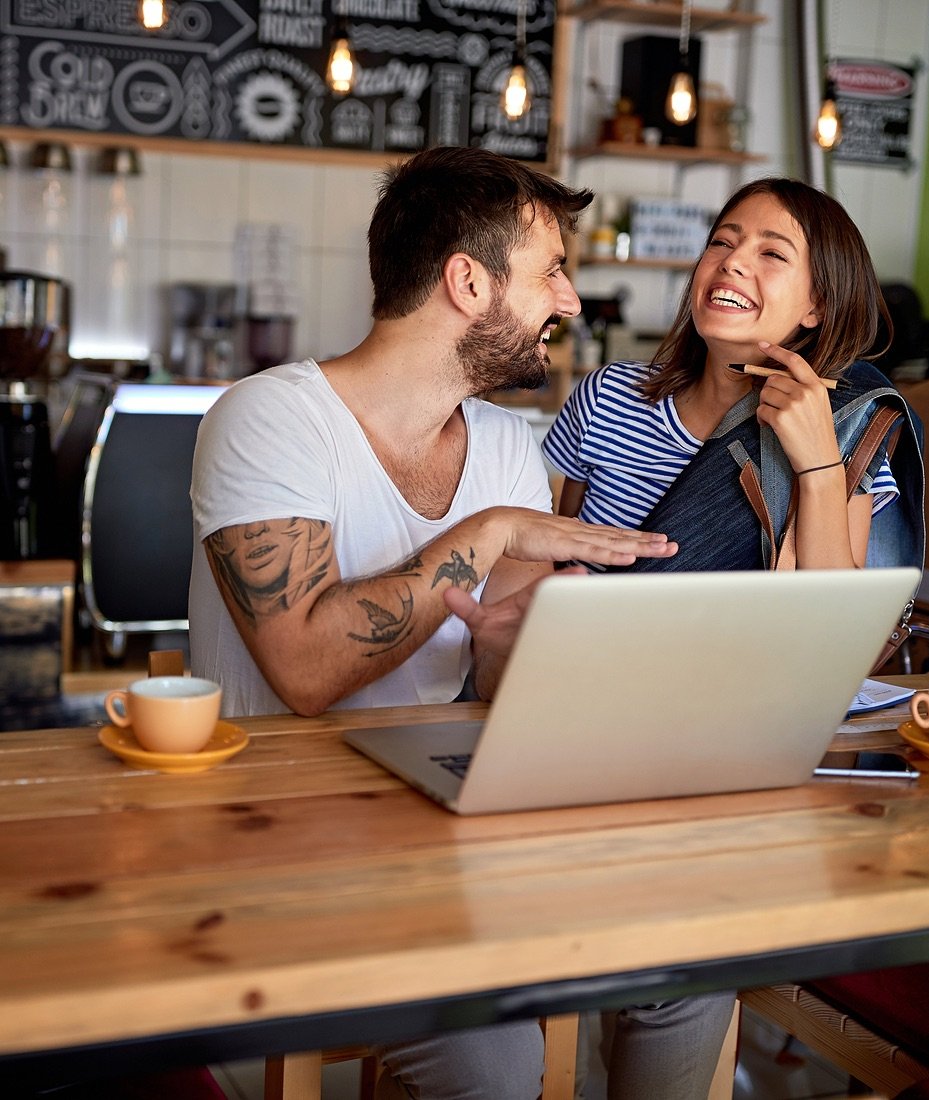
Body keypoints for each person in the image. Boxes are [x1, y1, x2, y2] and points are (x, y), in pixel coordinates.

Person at [189, 146, 733, 1099]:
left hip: (446, 828)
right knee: (492, 1063)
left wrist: (587, 640)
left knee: (692, 971)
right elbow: (309, 669)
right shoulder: (269, 418)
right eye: (551, 269)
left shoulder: (506, 445)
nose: (568, 299)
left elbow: (511, 659)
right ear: (467, 282)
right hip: (281, 846)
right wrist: (491, 534)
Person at [542, 176, 923, 578]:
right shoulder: (606, 397)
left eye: (773, 253)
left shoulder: (843, 431)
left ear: (819, 306)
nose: (732, 261)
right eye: (722, 242)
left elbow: (839, 622)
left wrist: (820, 466)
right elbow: (561, 564)